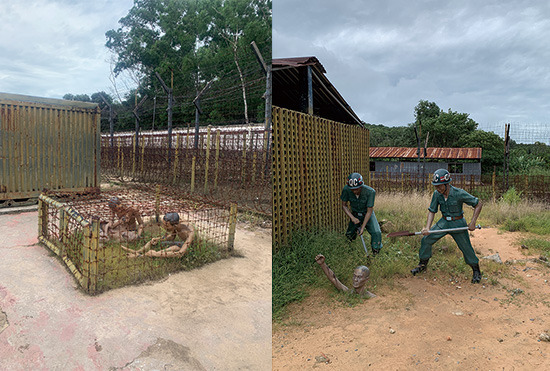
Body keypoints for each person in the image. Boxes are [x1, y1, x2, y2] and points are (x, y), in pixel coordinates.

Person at [411, 168, 483, 283]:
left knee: (466, 247)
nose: (438, 188)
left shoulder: (459, 193)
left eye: (440, 186)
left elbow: (478, 204)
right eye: (436, 186)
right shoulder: (436, 194)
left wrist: (473, 222)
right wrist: (427, 228)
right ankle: (422, 265)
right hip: (444, 222)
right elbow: (432, 211)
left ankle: (476, 270)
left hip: (458, 223)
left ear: (446, 184)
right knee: (426, 239)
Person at [341, 172, 382, 255]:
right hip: (355, 214)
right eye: (352, 189)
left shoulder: (370, 192)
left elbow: (369, 211)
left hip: (367, 214)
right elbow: (344, 205)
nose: (355, 191)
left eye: (357, 189)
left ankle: (375, 253)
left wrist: (362, 227)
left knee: (376, 233)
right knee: (349, 234)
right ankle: (348, 251)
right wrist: (352, 218)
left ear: (361, 186)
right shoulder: (346, 189)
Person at [122, 212, 194, 258]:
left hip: (190, 248)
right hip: (181, 243)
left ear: (175, 225)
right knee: (153, 242)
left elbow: (180, 254)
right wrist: (159, 239)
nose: (164, 228)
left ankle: (140, 256)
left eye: (167, 226)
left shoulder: (189, 232)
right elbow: (172, 237)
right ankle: (138, 251)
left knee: (175, 248)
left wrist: (156, 254)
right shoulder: (176, 224)